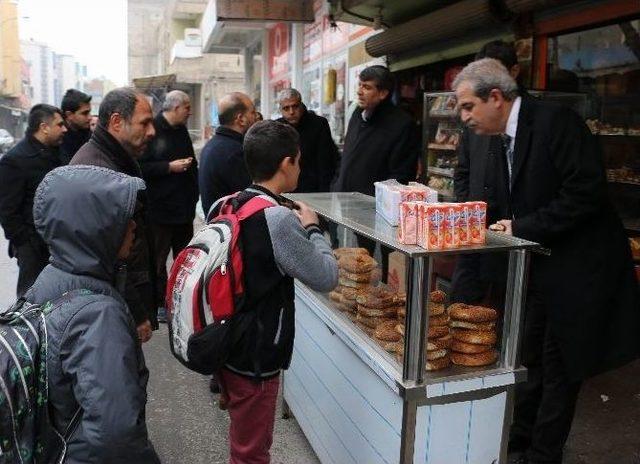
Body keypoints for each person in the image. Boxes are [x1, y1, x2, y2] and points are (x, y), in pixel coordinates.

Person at [452, 58, 640, 464]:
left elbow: (585, 194)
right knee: (528, 353)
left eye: (468, 106)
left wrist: (522, 225)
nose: (463, 117)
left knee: (560, 364)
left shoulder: (556, 123)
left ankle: (543, 453)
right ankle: (520, 438)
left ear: (496, 97)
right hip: (539, 265)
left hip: (580, 268)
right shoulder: (497, 138)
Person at [211, 120, 338, 464]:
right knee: (252, 452)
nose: (300, 166)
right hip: (256, 354)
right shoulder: (277, 219)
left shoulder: (229, 203)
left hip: (229, 341)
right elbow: (326, 276)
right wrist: (312, 228)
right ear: (287, 163)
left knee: (244, 439)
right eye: (298, 160)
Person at [26, 165, 160, 463]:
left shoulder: (50, 277)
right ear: (96, 227)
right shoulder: (99, 315)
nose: (134, 226)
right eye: (123, 218)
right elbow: (117, 436)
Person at [70, 87, 157, 343]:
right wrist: (137, 313)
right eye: (145, 123)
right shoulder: (98, 172)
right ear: (117, 122)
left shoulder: (117, 159)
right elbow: (106, 257)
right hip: (112, 306)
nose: (152, 132)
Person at [452, 40, 527, 305]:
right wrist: (465, 210)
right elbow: (462, 171)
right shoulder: (474, 122)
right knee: (461, 304)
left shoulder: (531, 123)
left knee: (504, 310)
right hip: (473, 231)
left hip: (511, 237)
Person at [333, 65, 419, 277]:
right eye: (360, 85)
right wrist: (337, 184)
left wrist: (383, 203)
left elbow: (402, 174)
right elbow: (349, 156)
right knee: (358, 264)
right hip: (351, 206)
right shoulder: (357, 114)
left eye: (367, 87)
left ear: (383, 93)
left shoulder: (401, 124)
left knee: (389, 265)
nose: (360, 91)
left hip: (382, 212)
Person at [139, 90, 198, 323]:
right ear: (175, 108)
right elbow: (141, 167)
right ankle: (160, 303)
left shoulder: (181, 129)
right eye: (187, 107)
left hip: (184, 209)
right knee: (158, 261)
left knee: (185, 258)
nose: (190, 112)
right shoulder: (152, 129)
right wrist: (168, 167)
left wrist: (194, 195)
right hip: (160, 211)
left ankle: (180, 298)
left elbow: (191, 163)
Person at [0, 104, 67, 296]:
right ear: (44, 127)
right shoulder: (15, 160)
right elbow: (7, 211)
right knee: (31, 299)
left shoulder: (59, 153)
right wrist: (24, 244)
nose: (64, 129)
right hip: (32, 247)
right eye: (59, 124)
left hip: (60, 243)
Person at [199, 92, 257, 217]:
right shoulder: (233, 152)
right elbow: (250, 200)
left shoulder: (212, 145)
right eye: (252, 112)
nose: (256, 117)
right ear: (240, 119)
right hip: (231, 229)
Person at [276, 88, 339, 193]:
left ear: (301, 105)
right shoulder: (277, 127)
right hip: (285, 190)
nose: (291, 112)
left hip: (313, 189)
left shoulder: (319, 124)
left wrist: (324, 193)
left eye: (295, 106)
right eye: (286, 108)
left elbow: (325, 162)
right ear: (281, 110)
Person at [60, 89, 92, 163]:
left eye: (89, 112)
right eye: (85, 113)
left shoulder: (91, 137)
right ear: (69, 115)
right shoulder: (57, 140)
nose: (90, 117)